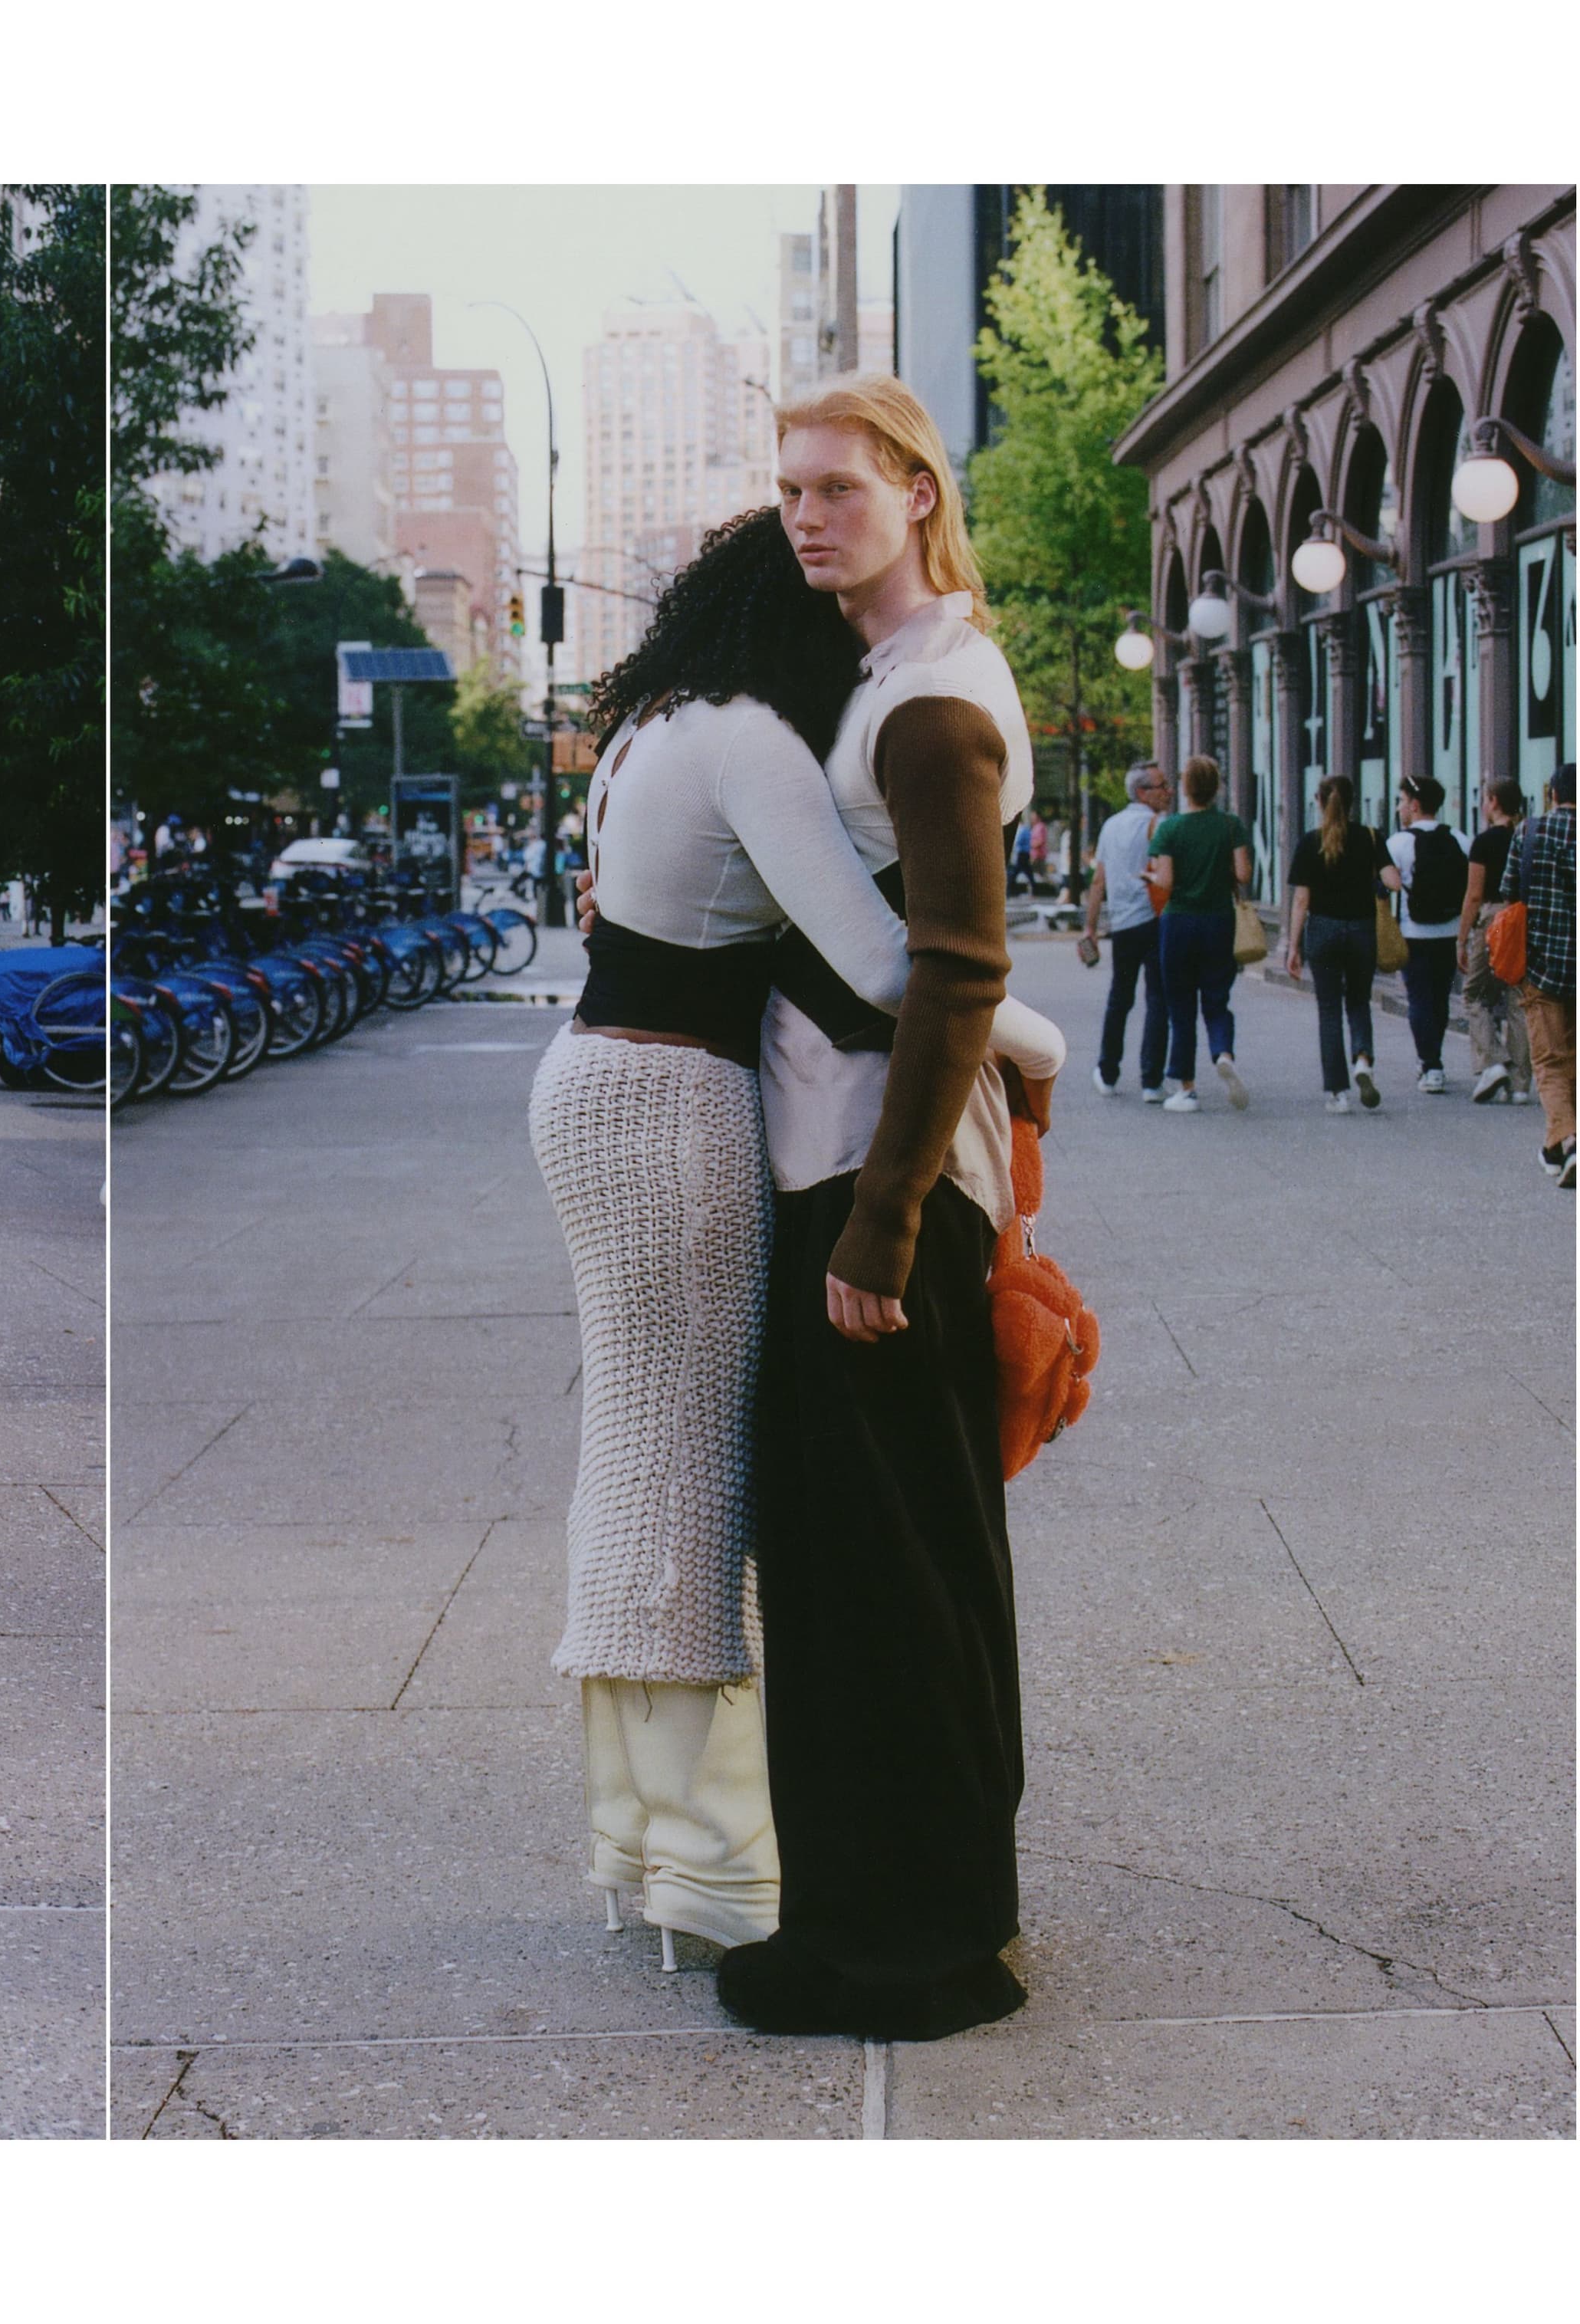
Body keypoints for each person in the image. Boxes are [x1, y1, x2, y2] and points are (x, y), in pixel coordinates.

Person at [537, 508, 1063, 1970]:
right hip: (672, 1104)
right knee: (691, 1474)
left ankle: (644, 1839)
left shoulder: (654, 723)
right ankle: (705, 1863)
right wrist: (1040, 1044)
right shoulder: (757, 741)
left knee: (640, 1455)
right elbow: (900, 965)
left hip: (595, 1087)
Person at [728, 374, 1056, 2042]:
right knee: (864, 1564)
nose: (806, 514)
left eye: (839, 487)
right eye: (790, 489)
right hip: (856, 1165)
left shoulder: (934, 700)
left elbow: (962, 969)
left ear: (917, 492)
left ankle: (922, 1947)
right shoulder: (884, 678)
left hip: (883, 1181)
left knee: (893, 1568)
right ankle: (868, 1918)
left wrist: (883, 1222)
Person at [1144, 756, 1254, 1113]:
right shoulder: (1230, 825)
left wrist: (1150, 878)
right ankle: (1223, 1052)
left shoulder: (1169, 829)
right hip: (1219, 920)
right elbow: (1243, 873)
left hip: (1178, 924)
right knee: (1217, 998)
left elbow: (1167, 882)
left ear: (1185, 788)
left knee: (1180, 1006)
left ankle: (1186, 1087)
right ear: (1216, 787)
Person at [1282, 774, 1387, 1113]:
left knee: (1329, 1010)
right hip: (1361, 930)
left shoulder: (1311, 842)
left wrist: (1293, 946)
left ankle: (1338, 1094)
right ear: (1354, 802)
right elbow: (1393, 881)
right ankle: (1363, 1060)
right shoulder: (1370, 838)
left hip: (1323, 932)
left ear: (1318, 801)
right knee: (1358, 1001)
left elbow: (1301, 900)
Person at [1501, 762, 1576, 1185]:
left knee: (1548, 1059)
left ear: (1551, 793)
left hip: (1540, 963)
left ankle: (1569, 1143)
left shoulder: (1528, 833)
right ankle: (1556, 1146)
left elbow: (1510, 892)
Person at [1082, 761, 1172, 1100]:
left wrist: (1090, 927)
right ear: (1141, 792)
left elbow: (1099, 881)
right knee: (1157, 999)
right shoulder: (1158, 824)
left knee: (1120, 998)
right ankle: (1152, 1081)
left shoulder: (1110, 827)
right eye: (1161, 786)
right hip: (1155, 921)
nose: (1168, 792)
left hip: (1123, 926)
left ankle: (1107, 1072)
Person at [1387, 773, 1470, 1093]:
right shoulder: (1460, 839)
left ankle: (1430, 1064)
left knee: (1419, 998)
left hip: (1414, 932)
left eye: (1402, 801)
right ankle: (1433, 1057)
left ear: (1416, 805)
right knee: (1440, 998)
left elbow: (1384, 884)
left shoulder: (1398, 843)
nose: (1399, 808)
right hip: (1450, 932)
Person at [1460, 778, 1532, 1104]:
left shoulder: (1485, 842)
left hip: (1493, 919)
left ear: (1493, 802)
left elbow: (1474, 895)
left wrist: (1462, 938)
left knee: (1474, 992)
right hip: (1526, 918)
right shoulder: (1528, 836)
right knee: (1519, 998)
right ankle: (1520, 1084)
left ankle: (1493, 1061)